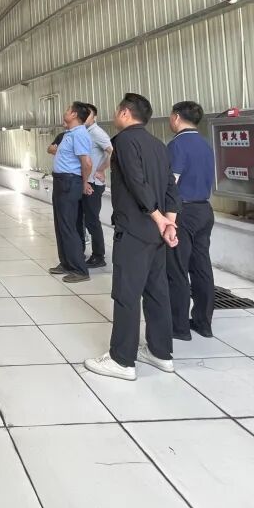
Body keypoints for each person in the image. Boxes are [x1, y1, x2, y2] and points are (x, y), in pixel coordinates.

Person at [85, 92, 179, 381]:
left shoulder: (124, 141)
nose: (116, 116)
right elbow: (170, 186)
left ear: (125, 113)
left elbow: (137, 183)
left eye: (117, 111)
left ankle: (122, 359)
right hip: (158, 233)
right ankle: (161, 353)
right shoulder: (158, 144)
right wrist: (169, 223)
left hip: (135, 230)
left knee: (127, 294)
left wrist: (156, 216)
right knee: (157, 292)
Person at [167, 101, 217, 340]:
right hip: (204, 210)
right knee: (201, 267)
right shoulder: (205, 144)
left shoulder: (177, 144)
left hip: (183, 212)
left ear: (176, 117)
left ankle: (179, 327)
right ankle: (203, 323)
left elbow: (172, 183)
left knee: (177, 268)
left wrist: (167, 217)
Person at [47, 102, 93, 283]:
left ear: (74, 114)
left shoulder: (80, 134)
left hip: (69, 182)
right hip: (61, 182)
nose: (64, 112)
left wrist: (84, 182)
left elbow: (86, 163)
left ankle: (80, 269)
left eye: (67, 110)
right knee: (61, 225)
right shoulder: (69, 133)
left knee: (68, 226)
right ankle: (66, 263)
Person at [80, 104, 113, 268]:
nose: (85, 117)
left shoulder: (97, 133)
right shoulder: (85, 132)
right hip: (85, 182)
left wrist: (101, 169)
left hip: (93, 183)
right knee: (85, 219)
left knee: (92, 220)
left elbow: (112, 151)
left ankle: (99, 256)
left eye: (88, 114)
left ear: (95, 117)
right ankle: (84, 251)